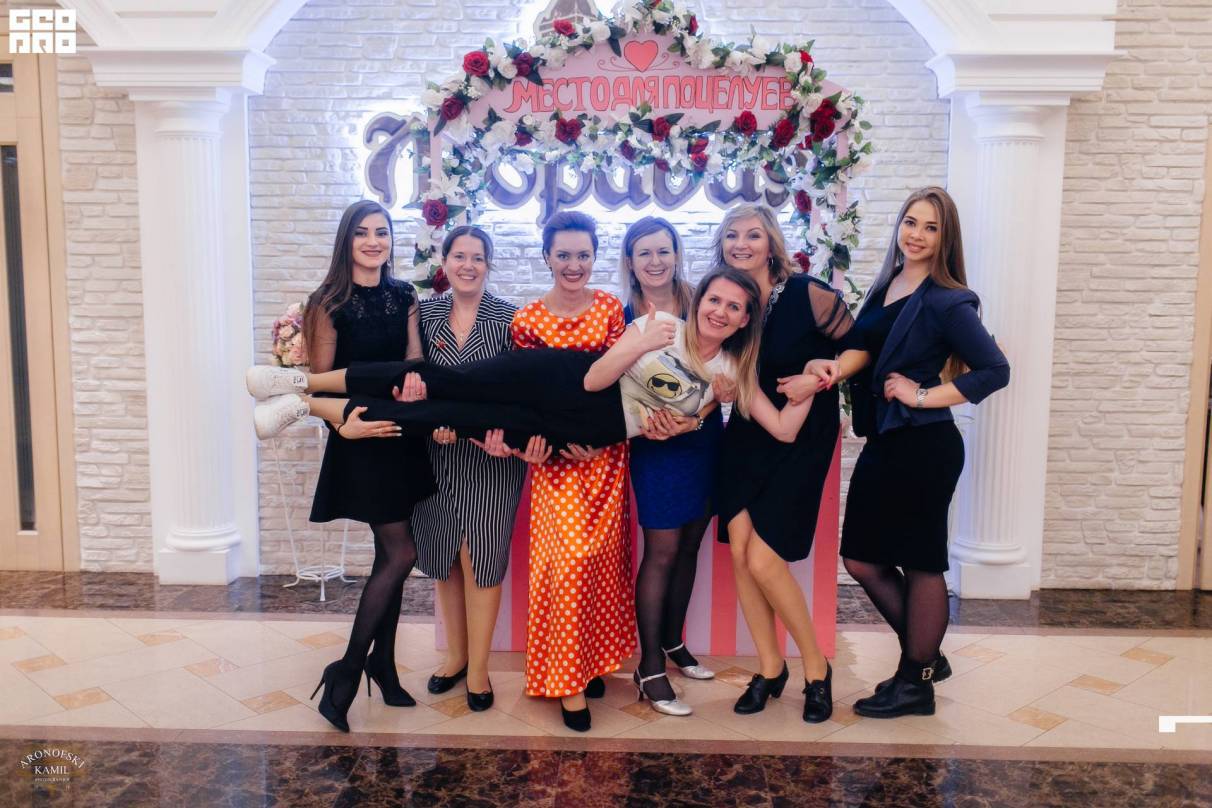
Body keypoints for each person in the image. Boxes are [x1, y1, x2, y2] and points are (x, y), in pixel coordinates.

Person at [805, 187, 1009, 718]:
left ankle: (915, 681)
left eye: (931, 227)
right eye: (911, 222)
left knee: (921, 563)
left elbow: (995, 370)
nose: (916, 234)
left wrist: (921, 395)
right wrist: (834, 370)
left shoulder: (947, 299)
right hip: (886, 442)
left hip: (924, 446)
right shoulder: (888, 284)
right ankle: (925, 658)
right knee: (862, 558)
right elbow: (866, 348)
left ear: (945, 238)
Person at [284, 200, 435, 733]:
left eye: (382, 232)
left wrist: (415, 379)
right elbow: (319, 384)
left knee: (389, 555)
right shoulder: (328, 302)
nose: (374, 241)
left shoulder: (404, 295)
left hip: (401, 434)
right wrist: (344, 426)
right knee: (402, 552)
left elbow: (414, 358)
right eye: (363, 233)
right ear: (347, 241)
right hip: (359, 435)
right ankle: (347, 669)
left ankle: (383, 666)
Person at [712, 202, 854, 725]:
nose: (741, 244)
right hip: (747, 434)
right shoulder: (728, 302)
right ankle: (770, 668)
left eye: (752, 234)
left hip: (802, 437)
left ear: (771, 242)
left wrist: (822, 374)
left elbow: (861, 348)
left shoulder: (809, 293)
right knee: (741, 553)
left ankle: (816, 669)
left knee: (766, 560)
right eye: (732, 235)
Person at [411, 226, 538, 712]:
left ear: (488, 264)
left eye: (478, 258)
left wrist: (505, 434)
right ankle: (456, 657)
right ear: (444, 262)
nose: (468, 265)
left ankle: (480, 670)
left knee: (481, 557)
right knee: (444, 555)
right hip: (436, 455)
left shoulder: (510, 319)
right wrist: (432, 424)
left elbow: (521, 393)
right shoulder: (424, 316)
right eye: (460, 256)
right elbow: (413, 382)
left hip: (492, 459)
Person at [617, 216, 720, 715]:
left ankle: (675, 642)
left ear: (677, 253)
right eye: (644, 253)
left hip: (702, 438)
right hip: (653, 443)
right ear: (631, 262)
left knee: (690, 545)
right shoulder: (618, 316)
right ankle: (650, 665)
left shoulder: (703, 303)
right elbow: (614, 384)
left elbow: (726, 371)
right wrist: (650, 423)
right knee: (661, 551)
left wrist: (695, 419)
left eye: (663, 250)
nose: (655, 261)